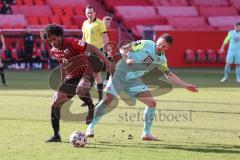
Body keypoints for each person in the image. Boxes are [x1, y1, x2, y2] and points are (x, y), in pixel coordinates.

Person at [86, 33, 198, 141]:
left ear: (167, 48)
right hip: (120, 73)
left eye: (163, 46)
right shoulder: (147, 44)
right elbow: (123, 48)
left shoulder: (162, 60)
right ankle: (90, 128)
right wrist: (127, 59)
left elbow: (169, 75)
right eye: (159, 44)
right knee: (107, 100)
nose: (159, 47)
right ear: (156, 40)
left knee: (151, 103)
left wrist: (185, 85)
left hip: (133, 80)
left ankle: (146, 134)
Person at [40, 24, 112, 142]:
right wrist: (62, 83)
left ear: (59, 35)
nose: (52, 42)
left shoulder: (72, 42)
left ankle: (90, 106)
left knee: (80, 90)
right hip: (71, 77)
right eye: (49, 40)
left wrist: (107, 63)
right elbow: (64, 65)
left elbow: (93, 48)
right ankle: (56, 136)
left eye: (54, 39)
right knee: (55, 103)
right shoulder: (54, 51)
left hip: (86, 72)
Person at [82, 5, 109, 106]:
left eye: (91, 12)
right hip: (87, 52)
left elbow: (105, 37)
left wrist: (106, 49)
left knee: (97, 75)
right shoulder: (85, 23)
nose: (89, 14)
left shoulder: (99, 23)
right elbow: (84, 37)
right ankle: (88, 99)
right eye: (87, 12)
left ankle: (101, 99)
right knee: (87, 76)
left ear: (95, 13)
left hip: (97, 52)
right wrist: (82, 49)